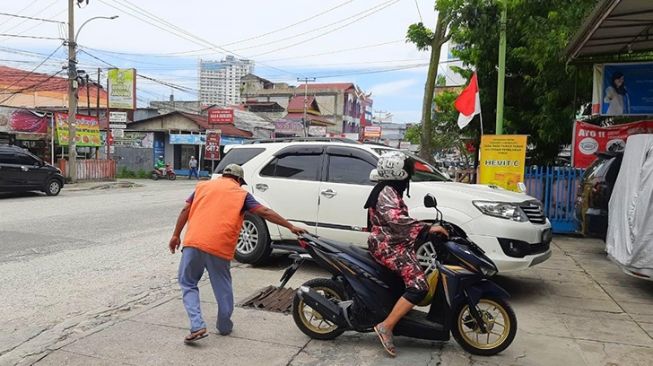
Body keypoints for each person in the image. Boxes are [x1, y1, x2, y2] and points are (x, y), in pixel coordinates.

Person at [168, 164, 307, 344]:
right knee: (222, 286)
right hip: (219, 246)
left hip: (194, 243)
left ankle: (197, 325)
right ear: (239, 180)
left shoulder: (203, 186)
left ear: (224, 175)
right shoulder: (241, 194)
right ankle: (224, 326)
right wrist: (290, 226)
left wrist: (175, 235)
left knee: (188, 283)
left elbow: (185, 210)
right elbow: (264, 211)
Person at [363, 152, 448, 357]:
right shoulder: (387, 192)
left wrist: (425, 228)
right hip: (388, 246)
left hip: (394, 242)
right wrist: (427, 228)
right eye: (409, 171)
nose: (410, 175)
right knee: (419, 286)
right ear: (399, 173)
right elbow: (396, 220)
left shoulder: (388, 189)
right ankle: (386, 326)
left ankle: (399, 313)